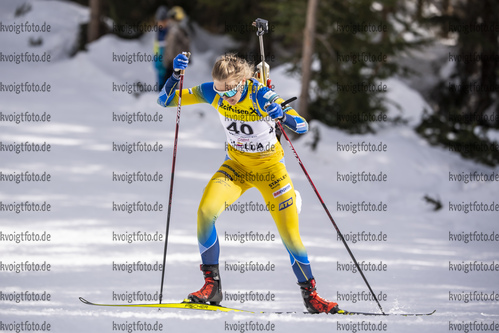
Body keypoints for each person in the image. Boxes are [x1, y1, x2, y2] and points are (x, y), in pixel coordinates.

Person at [157, 53, 339, 314]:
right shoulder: (213, 92)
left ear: (243, 82)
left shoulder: (261, 95)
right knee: (206, 213)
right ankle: (212, 286)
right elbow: (165, 101)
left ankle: (311, 297)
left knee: (290, 235)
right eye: (219, 91)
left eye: (229, 90)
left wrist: (282, 115)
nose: (224, 96)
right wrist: (175, 76)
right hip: (236, 167)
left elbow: (302, 126)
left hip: (271, 172)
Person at [153, 6, 170, 90]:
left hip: (168, 63)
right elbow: (157, 47)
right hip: (159, 61)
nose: (161, 23)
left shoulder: (169, 31)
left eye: (163, 21)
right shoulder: (159, 32)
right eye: (159, 21)